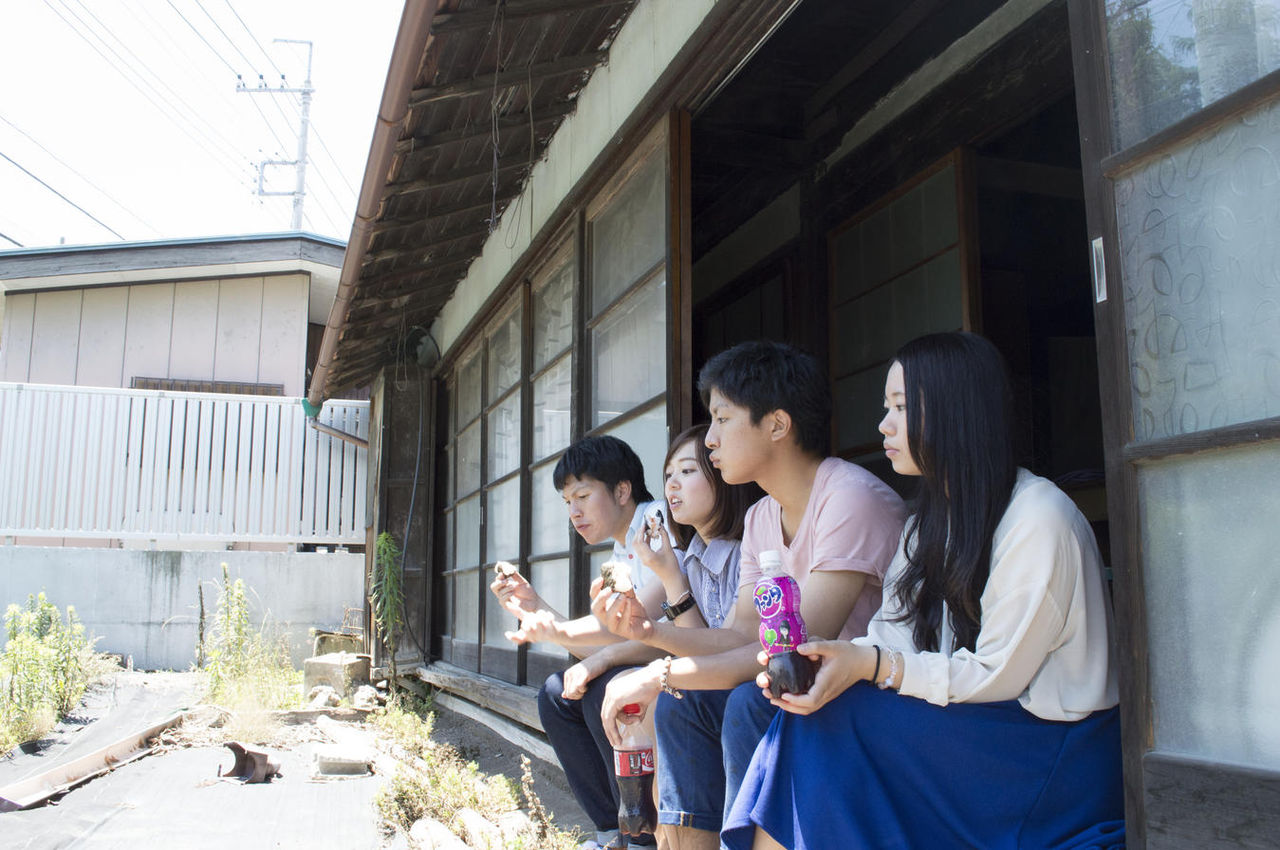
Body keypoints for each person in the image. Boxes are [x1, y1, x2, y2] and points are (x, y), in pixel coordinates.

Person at [722, 332, 1124, 850]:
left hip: (1049, 754)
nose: (883, 425)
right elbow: (891, 636)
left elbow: (996, 676)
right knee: (807, 710)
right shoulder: (925, 526)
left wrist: (870, 667)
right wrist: (839, 661)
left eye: (901, 407)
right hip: (974, 729)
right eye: (885, 407)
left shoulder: (1039, 517)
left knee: (836, 720)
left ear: (956, 411)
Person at [599, 341, 907, 850]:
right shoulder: (762, 515)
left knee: (744, 700)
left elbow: (790, 651)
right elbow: (743, 634)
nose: (711, 440)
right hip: (795, 690)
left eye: (721, 420)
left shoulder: (848, 497)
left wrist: (659, 671)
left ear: (777, 425)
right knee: (684, 705)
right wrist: (650, 633)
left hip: (860, 694)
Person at [542, 425, 761, 849]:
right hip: (698, 664)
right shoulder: (667, 553)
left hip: (738, 674)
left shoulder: (662, 528)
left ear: (622, 491)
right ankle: (619, 831)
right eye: (668, 474)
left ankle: (641, 836)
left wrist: (556, 627)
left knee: (613, 690)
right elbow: (669, 635)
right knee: (561, 693)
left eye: (582, 497)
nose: (574, 511)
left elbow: (623, 632)